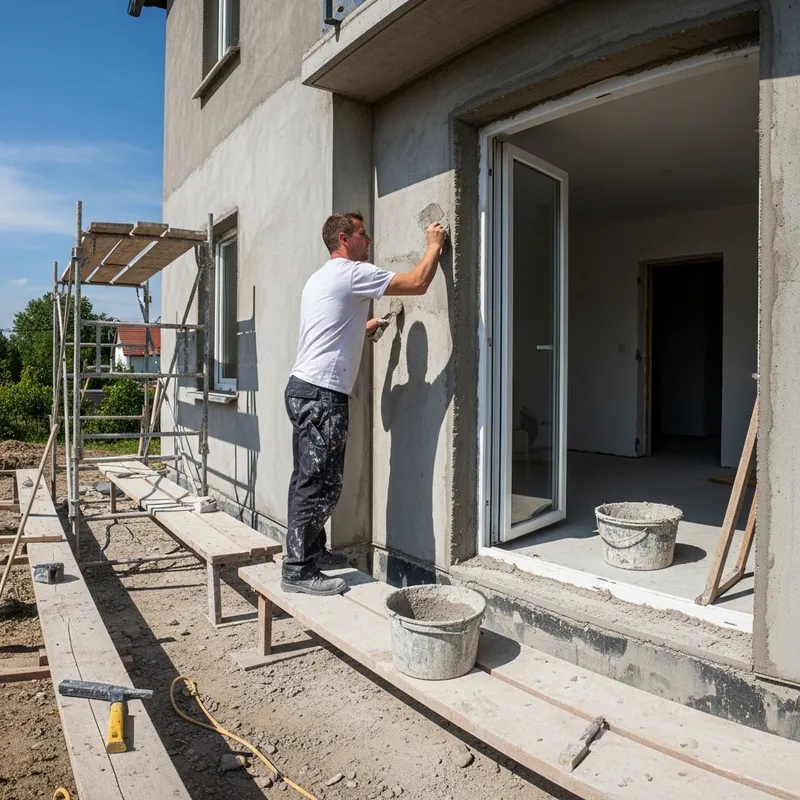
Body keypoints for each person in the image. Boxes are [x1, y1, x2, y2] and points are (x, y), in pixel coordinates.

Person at [282, 211, 447, 595]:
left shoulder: (321, 278)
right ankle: (297, 570)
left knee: (308, 477)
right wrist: (434, 245)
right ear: (344, 238)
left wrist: (363, 327)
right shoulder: (352, 272)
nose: (368, 240)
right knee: (321, 483)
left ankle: (311, 551)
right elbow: (418, 282)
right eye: (362, 233)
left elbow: (331, 323)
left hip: (305, 389)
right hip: (322, 394)